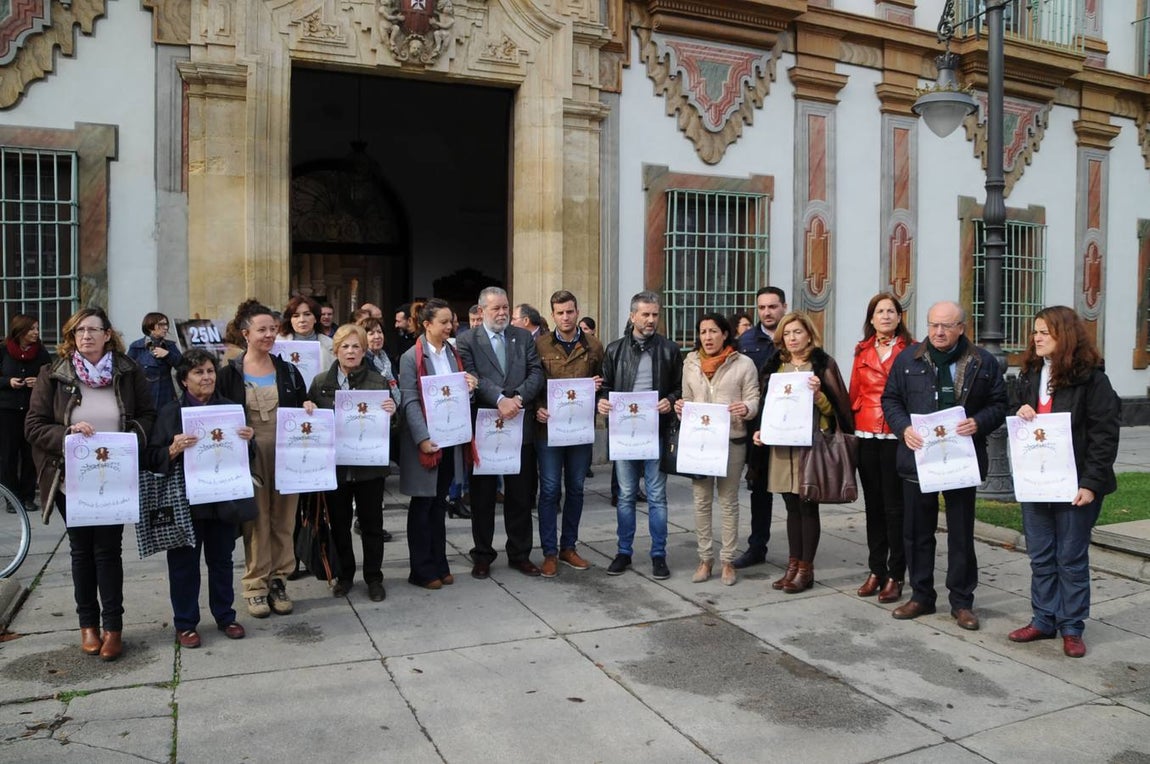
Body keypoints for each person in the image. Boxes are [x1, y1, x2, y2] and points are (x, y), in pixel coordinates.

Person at [26, 307, 156, 661]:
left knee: (108, 552)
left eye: (93, 330)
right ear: (72, 337)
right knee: (81, 552)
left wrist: (131, 438)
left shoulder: (129, 371)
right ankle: (89, 626)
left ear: (107, 335)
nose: (86, 336)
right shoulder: (53, 374)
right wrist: (66, 432)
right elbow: (34, 425)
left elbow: (148, 415)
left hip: (115, 478)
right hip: (71, 480)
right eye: (79, 330)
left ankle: (113, 628)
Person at [882, 300, 1007, 630]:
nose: (938, 331)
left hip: (961, 460)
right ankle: (921, 595)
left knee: (961, 533)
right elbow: (890, 399)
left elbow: (1000, 403)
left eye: (946, 326)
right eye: (933, 325)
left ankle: (962, 601)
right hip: (919, 458)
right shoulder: (908, 359)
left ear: (961, 328)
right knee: (917, 532)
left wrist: (979, 422)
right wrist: (903, 428)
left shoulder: (983, 362)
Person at [1008, 305, 1121, 658]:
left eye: (1045, 332)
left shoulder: (1093, 380)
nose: (1036, 337)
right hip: (1037, 482)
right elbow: (1015, 409)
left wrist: (1090, 484)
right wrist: (1020, 409)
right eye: (1035, 331)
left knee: (1070, 558)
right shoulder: (1030, 374)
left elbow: (1105, 435)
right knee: (1041, 556)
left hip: (1075, 485)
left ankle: (1071, 626)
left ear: (1064, 336)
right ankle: (1043, 619)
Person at [147, 349, 253, 647]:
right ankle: (186, 623)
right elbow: (152, 457)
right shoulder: (170, 412)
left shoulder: (231, 409)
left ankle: (225, 616)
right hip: (186, 503)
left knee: (222, 561)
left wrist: (248, 439)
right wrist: (172, 449)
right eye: (199, 373)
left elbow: (249, 456)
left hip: (223, 500)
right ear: (184, 380)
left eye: (210, 371)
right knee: (184, 565)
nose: (206, 377)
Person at [217, 301, 314, 618]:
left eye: (273, 329)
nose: (270, 334)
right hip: (251, 457)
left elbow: (302, 406)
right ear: (246, 333)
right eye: (262, 330)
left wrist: (309, 406)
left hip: (287, 455)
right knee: (256, 522)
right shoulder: (229, 374)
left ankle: (279, 580)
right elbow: (219, 416)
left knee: (284, 520)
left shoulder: (287, 370)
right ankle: (255, 586)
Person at [751, 312, 852, 593]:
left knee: (807, 505)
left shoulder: (822, 364)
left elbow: (836, 411)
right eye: (787, 333)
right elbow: (766, 406)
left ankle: (806, 569)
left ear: (809, 334)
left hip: (811, 446)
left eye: (797, 332)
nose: (792, 338)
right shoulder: (775, 366)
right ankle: (792, 565)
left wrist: (819, 394)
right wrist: (761, 431)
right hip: (782, 446)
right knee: (790, 507)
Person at [457, 286, 545, 578]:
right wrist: (499, 399)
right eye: (496, 308)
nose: (503, 313)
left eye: (506, 307)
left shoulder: (521, 337)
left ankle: (520, 554)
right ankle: (483, 554)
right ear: (481, 311)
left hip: (520, 425)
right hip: (485, 426)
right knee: (482, 497)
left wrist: (517, 398)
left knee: (520, 495)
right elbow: (471, 376)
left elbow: (536, 372)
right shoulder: (467, 340)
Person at [597, 291, 682, 579]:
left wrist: (670, 400)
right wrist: (603, 401)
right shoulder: (614, 350)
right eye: (645, 314)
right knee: (626, 496)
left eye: (655, 314)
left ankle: (659, 554)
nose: (650, 320)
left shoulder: (669, 349)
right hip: (624, 434)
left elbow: (680, 388)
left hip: (655, 432)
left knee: (657, 497)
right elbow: (605, 386)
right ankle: (624, 552)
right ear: (632, 316)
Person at [309, 323, 397, 602]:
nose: (350, 351)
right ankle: (345, 575)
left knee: (372, 524)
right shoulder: (321, 382)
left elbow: (393, 426)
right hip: (335, 467)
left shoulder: (378, 382)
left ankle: (373, 577)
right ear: (335, 350)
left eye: (356, 346)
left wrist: (392, 412)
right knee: (339, 524)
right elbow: (310, 423)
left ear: (364, 350)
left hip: (369, 467)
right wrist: (307, 408)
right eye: (345, 346)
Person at [399, 299, 478, 589]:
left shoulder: (453, 352)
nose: (450, 326)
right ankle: (421, 568)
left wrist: (469, 387)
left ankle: (439, 562)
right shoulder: (411, 357)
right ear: (427, 324)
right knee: (422, 505)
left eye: (452, 321)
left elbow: (456, 395)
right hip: (426, 442)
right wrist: (422, 439)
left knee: (438, 504)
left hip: (449, 439)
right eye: (444, 322)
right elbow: (408, 400)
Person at [676, 313, 759, 586]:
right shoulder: (690, 363)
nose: (707, 337)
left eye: (713, 331)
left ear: (725, 334)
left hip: (731, 440)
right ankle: (705, 558)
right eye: (703, 332)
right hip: (699, 444)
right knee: (701, 501)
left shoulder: (743, 363)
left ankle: (727, 561)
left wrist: (746, 409)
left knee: (728, 501)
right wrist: (680, 408)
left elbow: (753, 398)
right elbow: (687, 398)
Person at [534, 290, 604, 577]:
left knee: (576, 488)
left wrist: (599, 390)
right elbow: (532, 382)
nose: (566, 317)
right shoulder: (539, 345)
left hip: (580, 429)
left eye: (570, 311)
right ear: (552, 315)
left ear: (577, 312)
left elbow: (605, 381)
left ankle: (569, 547)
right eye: (560, 312)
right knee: (550, 489)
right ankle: (549, 551)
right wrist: (536, 407)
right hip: (548, 428)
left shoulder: (594, 346)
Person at [849, 293, 914, 604]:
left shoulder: (911, 351)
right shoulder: (861, 351)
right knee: (873, 506)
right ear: (871, 318)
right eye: (879, 311)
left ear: (900, 317)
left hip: (895, 433)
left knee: (895, 508)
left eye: (891, 311)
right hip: (865, 431)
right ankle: (876, 569)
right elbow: (853, 392)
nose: (885, 316)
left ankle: (895, 573)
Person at [733, 286, 787, 569]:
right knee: (760, 489)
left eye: (772, 306)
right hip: (757, 428)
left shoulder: (794, 336)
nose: (767, 312)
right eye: (762, 307)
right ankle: (757, 547)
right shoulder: (746, 341)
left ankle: (799, 555)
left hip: (791, 428)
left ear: (784, 307)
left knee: (794, 492)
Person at [0, 314, 51, 512]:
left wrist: (38, 382)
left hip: (32, 410)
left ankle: (28, 496)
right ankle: (11, 499)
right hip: (7, 410)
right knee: (8, 456)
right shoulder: (4, 350)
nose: (36, 333)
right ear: (20, 331)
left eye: (37, 328)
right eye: (32, 329)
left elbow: (50, 375)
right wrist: (8, 382)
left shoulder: (41, 352)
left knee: (30, 454)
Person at [127, 312, 183, 410]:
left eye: (166, 324)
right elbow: (127, 372)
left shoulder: (170, 346)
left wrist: (167, 355)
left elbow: (182, 366)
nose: (165, 328)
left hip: (166, 397)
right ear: (150, 326)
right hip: (144, 397)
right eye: (161, 324)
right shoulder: (137, 346)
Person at [278, 295, 334, 370]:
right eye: (296, 316)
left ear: (315, 318)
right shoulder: (277, 342)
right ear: (290, 320)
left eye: (307, 314)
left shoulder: (330, 344)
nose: (302, 320)